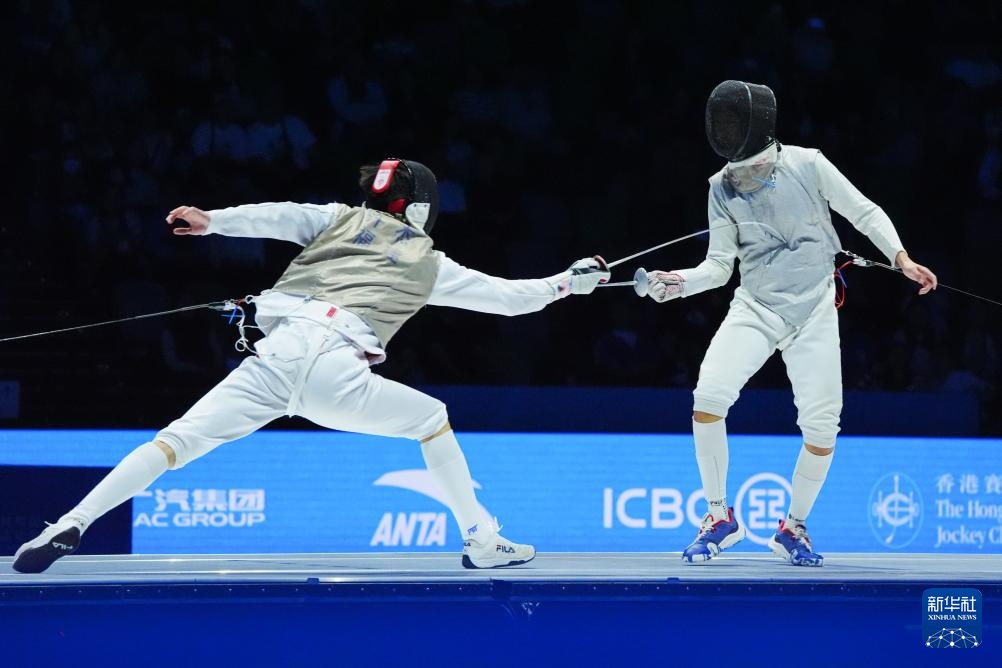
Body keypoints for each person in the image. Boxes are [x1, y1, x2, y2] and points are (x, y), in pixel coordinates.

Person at [13, 158, 610, 573]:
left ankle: (67, 523)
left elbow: (277, 215)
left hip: (274, 357)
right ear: (422, 209)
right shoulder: (431, 263)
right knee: (431, 419)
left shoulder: (336, 218)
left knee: (172, 444)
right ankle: (480, 538)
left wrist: (213, 220)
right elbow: (512, 299)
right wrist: (570, 282)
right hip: (337, 372)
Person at [646, 81, 937, 566]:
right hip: (756, 307)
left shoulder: (808, 164)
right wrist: (678, 282)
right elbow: (718, 267)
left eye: (735, 123)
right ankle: (718, 517)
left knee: (822, 427)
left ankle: (793, 527)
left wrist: (900, 257)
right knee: (709, 397)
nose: (746, 174)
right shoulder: (721, 187)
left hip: (814, 309)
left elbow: (862, 211)